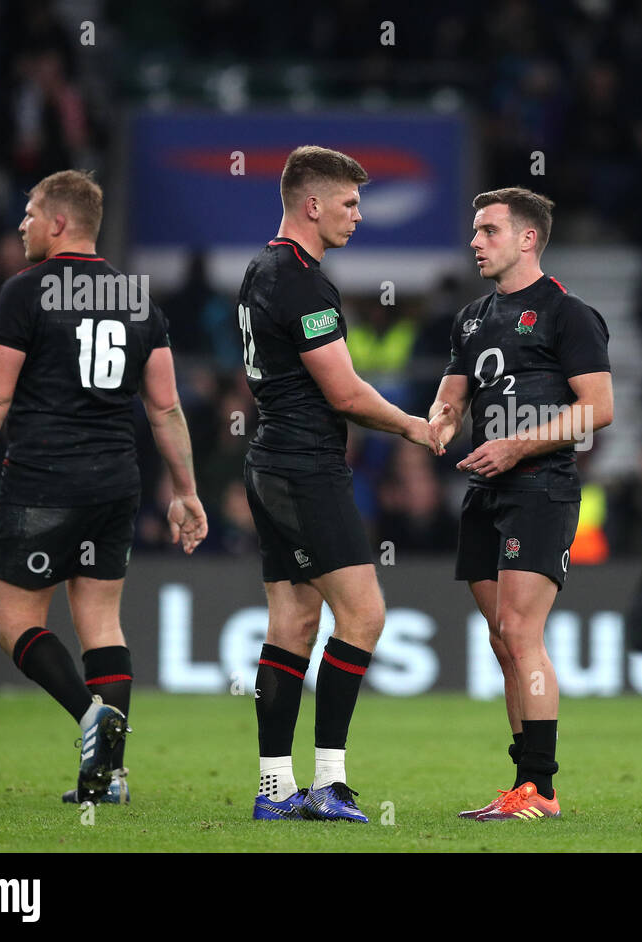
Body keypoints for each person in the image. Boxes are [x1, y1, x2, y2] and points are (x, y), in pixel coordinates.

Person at [0, 169, 208, 805]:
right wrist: (186, 491)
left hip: (41, 482)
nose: (21, 224)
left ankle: (92, 716)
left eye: (29, 213)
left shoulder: (24, 292)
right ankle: (108, 777)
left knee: (11, 620)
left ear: (59, 223)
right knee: (102, 623)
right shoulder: (140, 299)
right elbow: (165, 409)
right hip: (117, 484)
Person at [238, 146, 444, 822]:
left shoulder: (258, 271)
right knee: (365, 614)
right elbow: (345, 392)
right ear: (312, 204)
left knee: (294, 621)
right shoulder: (301, 279)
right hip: (303, 465)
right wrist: (414, 427)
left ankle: (275, 789)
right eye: (350, 203)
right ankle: (327, 781)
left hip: (270, 460)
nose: (359, 215)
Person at [428, 187, 613, 821]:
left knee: (520, 632)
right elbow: (452, 395)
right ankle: (522, 786)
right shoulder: (472, 318)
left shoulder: (569, 314)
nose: (475, 242)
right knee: (503, 642)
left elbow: (599, 408)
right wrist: (435, 422)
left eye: (488, 231)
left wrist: (516, 446)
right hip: (486, 493)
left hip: (541, 488)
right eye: (475, 231)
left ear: (527, 238)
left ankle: (542, 788)